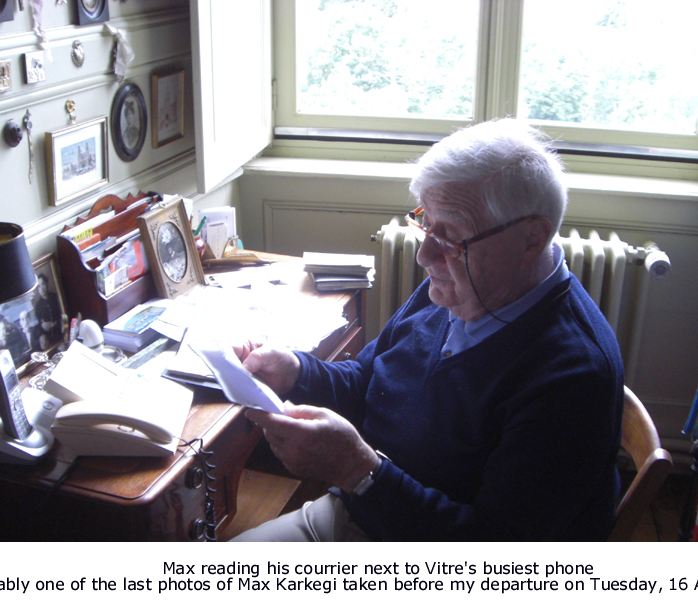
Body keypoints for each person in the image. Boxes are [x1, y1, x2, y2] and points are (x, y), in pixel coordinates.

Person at [234, 118, 624, 541]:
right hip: (366, 508)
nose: (424, 254)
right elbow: (371, 379)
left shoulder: (572, 376)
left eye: (452, 236)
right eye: (426, 223)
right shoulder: (461, 287)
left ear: (532, 238)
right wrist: (294, 371)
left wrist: (359, 471)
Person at [32, 273, 62, 350]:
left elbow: (63, 314)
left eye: (43, 284)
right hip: (48, 337)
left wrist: (55, 323)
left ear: (46, 284)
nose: (42, 288)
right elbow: (37, 325)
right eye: (39, 286)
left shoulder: (55, 297)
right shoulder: (38, 306)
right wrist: (42, 326)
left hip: (60, 332)